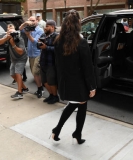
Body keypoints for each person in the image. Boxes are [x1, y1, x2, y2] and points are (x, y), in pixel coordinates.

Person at [50, 9, 96, 145]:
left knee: (78, 104)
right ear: (79, 23)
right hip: (79, 81)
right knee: (80, 104)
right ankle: (61, 130)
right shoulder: (81, 42)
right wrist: (92, 86)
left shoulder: (58, 40)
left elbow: (57, 63)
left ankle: (74, 133)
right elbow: (88, 67)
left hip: (65, 80)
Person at [0, 24, 28, 99]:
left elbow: (21, 52)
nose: (11, 34)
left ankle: (19, 93)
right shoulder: (7, 37)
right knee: (12, 74)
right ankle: (25, 88)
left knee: (18, 74)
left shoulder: (19, 38)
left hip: (21, 58)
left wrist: (13, 44)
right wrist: (6, 38)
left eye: (12, 32)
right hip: (14, 59)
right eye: (9, 32)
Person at [19, 16, 44, 98]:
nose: (32, 22)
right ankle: (40, 88)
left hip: (38, 53)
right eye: (30, 21)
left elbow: (36, 42)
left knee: (35, 72)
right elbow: (20, 28)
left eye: (33, 20)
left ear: (37, 21)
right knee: (34, 73)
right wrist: (26, 23)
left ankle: (40, 89)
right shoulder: (28, 28)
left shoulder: (40, 30)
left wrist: (28, 35)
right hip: (30, 54)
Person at [39, 20, 59, 104]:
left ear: (52, 27)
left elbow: (58, 50)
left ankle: (55, 96)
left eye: (47, 26)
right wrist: (39, 43)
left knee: (51, 81)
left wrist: (46, 47)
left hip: (51, 63)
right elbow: (39, 47)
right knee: (44, 81)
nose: (45, 28)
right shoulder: (43, 35)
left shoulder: (57, 36)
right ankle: (51, 95)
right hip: (43, 61)